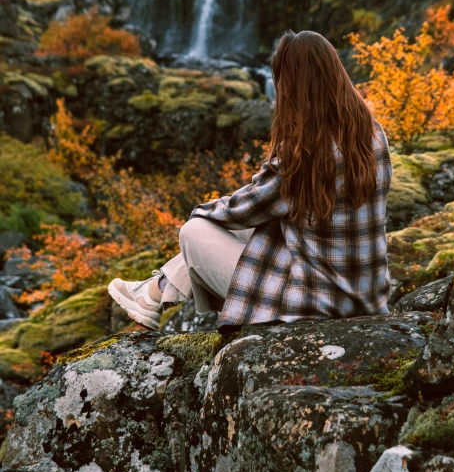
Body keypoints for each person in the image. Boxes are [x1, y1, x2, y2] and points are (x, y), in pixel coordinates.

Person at [108, 30, 393, 334]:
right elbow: (269, 205)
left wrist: (202, 213)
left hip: (316, 304)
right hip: (366, 297)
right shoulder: (372, 133)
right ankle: (155, 292)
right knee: (265, 226)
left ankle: (155, 292)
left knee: (194, 232)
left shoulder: (306, 152)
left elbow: (242, 210)